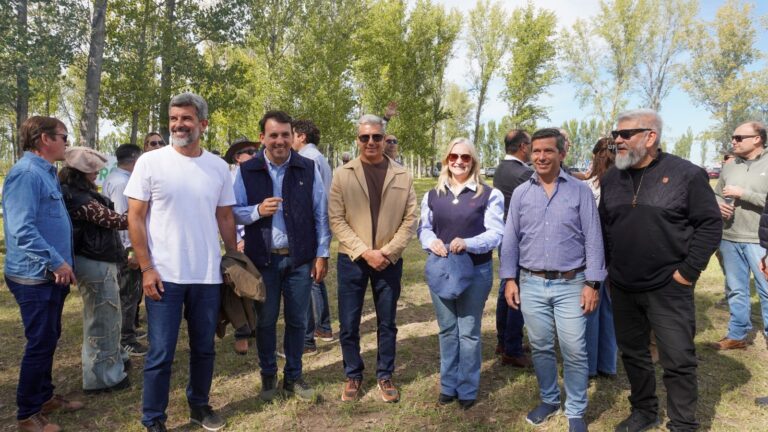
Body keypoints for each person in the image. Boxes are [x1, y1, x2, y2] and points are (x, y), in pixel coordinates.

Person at [599, 109, 721, 432]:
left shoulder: (686, 174)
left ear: (650, 137)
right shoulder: (612, 178)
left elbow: (710, 224)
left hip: (669, 287)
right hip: (624, 286)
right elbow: (604, 226)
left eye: (626, 135)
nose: (618, 141)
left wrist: (688, 273)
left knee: (678, 359)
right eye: (616, 135)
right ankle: (644, 411)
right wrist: (609, 271)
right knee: (633, 354)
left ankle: (682, 423)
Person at [126, 92, 237, 432]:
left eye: (186, 118)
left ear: (202, 124)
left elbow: (226, 218)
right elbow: (135, 218)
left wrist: (233, 261)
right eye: (174, 118)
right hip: (164, 276)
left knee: (204, 349)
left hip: (206, 276)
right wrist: (146, 268)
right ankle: (154, 420)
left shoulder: (218, 167)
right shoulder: (151, 162)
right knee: (161, 354)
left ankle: (199, 407)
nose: (178, 125)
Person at [500, 128, 605, 432]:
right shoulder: (522, 193)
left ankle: (575, 410)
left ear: (562, 153)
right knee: (542, 347)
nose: (541, 157)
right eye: (536, 151)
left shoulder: (579, 191)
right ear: (529, 153)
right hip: (531, 283)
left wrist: (593, 283)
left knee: (574, 349)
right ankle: (548, 399)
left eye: (548, 151)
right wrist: (509, 278)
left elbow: (594, 240)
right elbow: (510, 239)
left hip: (573, 283)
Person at [233, 111, 330, 402]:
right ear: (262, 137)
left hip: (300, 259)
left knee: (298, 320)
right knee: (265, 321)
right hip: (263, 260)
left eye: (285, 134)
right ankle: (267, 377)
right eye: (273, 135)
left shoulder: (308, 167)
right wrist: (257, 211)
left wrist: (322, 254)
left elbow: (320, 214)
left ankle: (294, 377)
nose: (280, 141)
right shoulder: (246, 170)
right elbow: (232, 210)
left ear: (292, 136)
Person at [328, 114, 418, 403]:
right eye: (365, 137)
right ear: (357, 140)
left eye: (377, 137)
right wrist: (365, 252)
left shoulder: (403, 175)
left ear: (384, 139)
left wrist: (387, 252)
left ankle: (384, 374)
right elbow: (336, 219)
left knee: (387, 322)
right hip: (353, 259)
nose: (371, 142)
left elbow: (410, 219)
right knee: (350, 322)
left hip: (388, 261)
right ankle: (353, 374)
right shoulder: (343, 174)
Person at [3, 116, 84, 432]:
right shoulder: (25, 175)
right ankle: (27, 414)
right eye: (64, 135)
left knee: (48, 339)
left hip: (50, 275)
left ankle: (44, 397)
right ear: (43, 139)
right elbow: (22, 230)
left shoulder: (45, 173)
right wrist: (56, 262)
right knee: (39, 342)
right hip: (34, 276)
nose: (67, 141)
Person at [418, 137, 504, 409]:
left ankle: (467, 388)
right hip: (442, 271)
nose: (458, 162)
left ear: (473, 161)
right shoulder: (433, 194)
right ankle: (448, 385)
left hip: (475, 272)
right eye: (453, 156)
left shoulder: (489, 194)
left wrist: (468, 243)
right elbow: (424, 227)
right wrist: (429, 240)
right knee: (446, 330)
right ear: (446, 160)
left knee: (468, 331)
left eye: (465, 157)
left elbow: (495, 234)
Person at [60, 147, 132, 394]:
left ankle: (112, 363)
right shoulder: (79, 198)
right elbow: (115, 220)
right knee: (102, 317)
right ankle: (102, 377)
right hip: (93, 260)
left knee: (107, 315)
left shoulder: (77, 194)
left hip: (95, 258)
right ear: (81, 173)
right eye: (93, 171)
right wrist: (141, 208)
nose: (97, 175)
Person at [711, 121, 768, 350]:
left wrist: (743, 194)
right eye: (733, 138)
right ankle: (737, 335)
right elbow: (715, 193)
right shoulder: (730, 164)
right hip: (730, 237)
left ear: (757, 139)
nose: (733, 142)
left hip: (760, 240)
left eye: (738, 138)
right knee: (736, 289)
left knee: (766, 290)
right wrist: (717, 205)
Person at [291, 119, 336, 354]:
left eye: (292, 134)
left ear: (302, 137)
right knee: (315, 278)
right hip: (318, 224)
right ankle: (324, 328)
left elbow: (310, 198)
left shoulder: (308, 159)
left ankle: (307, 341)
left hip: (309, 225)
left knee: (307, 281)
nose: (288, 139)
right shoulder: (318, 157)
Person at [492, 129, 533, 368]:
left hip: (505, 236)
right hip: (519, 238)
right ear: (523, 147)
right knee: (516, 291)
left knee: (505, 290)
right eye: (530, 144)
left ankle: (504, 341)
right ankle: (512, 348)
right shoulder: (524, 173)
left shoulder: (500, 169)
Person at [103, 144, 148, 358]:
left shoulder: (116, 178)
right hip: (126, 248)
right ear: (134, 160)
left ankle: (128, 331)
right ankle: (126, 339)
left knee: (130, 293)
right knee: (128, 294)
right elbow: (125, 218)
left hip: (123, 246)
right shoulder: (122, 183)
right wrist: (131, 250)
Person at [583, 137, 618, 379]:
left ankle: (589, 365)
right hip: (616, 253)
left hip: (594, 253)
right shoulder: (624, 183)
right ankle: (608, 363)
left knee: (590, 309)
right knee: (609, 309)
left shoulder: (589, 186)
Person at [223, 137, 260, 355]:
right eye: (248, 151)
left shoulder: (257, 175)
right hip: (234, 239)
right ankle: (242, 333)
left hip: (255, 239)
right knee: (236, 286)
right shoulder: (228, 178)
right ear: (237, 157)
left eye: (255, 151)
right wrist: (236, 241)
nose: (254, 155)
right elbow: (228, 213)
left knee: (254, 285)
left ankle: (253, 328)